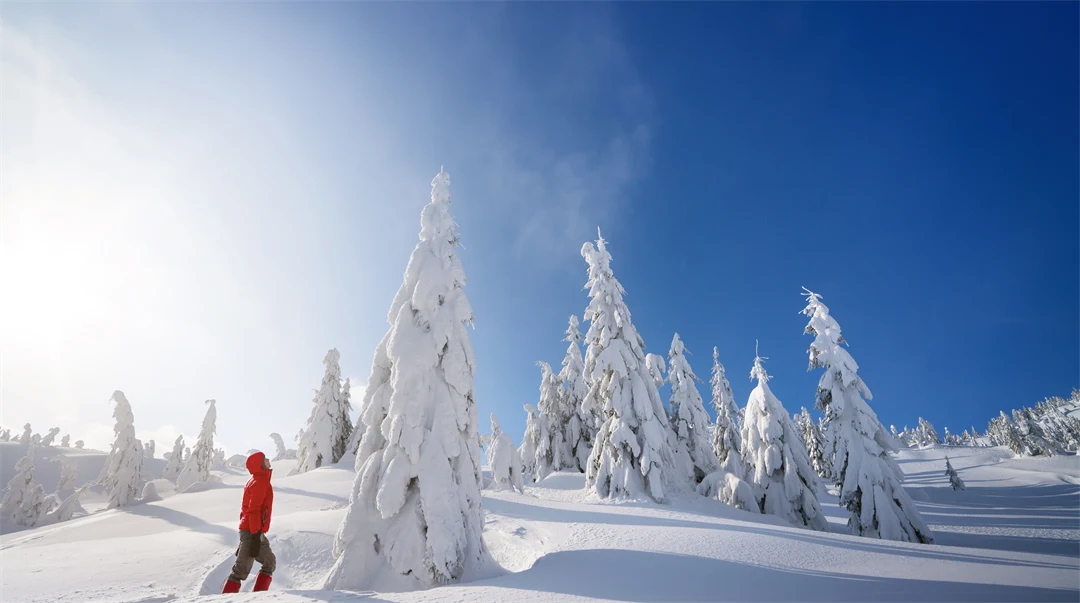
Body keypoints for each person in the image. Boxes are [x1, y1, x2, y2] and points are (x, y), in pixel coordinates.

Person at [222, 451, 276, 593]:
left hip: (254, 530)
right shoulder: (260, 482)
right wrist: (254, 534)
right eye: (266, 459)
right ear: (260, 464)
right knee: (241, 570)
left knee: (269, 562)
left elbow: (245, 509)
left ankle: (257, 597)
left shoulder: (258, 480)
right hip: (253, 530)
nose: (269, 460)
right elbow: (253, 510)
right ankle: (224, 600)